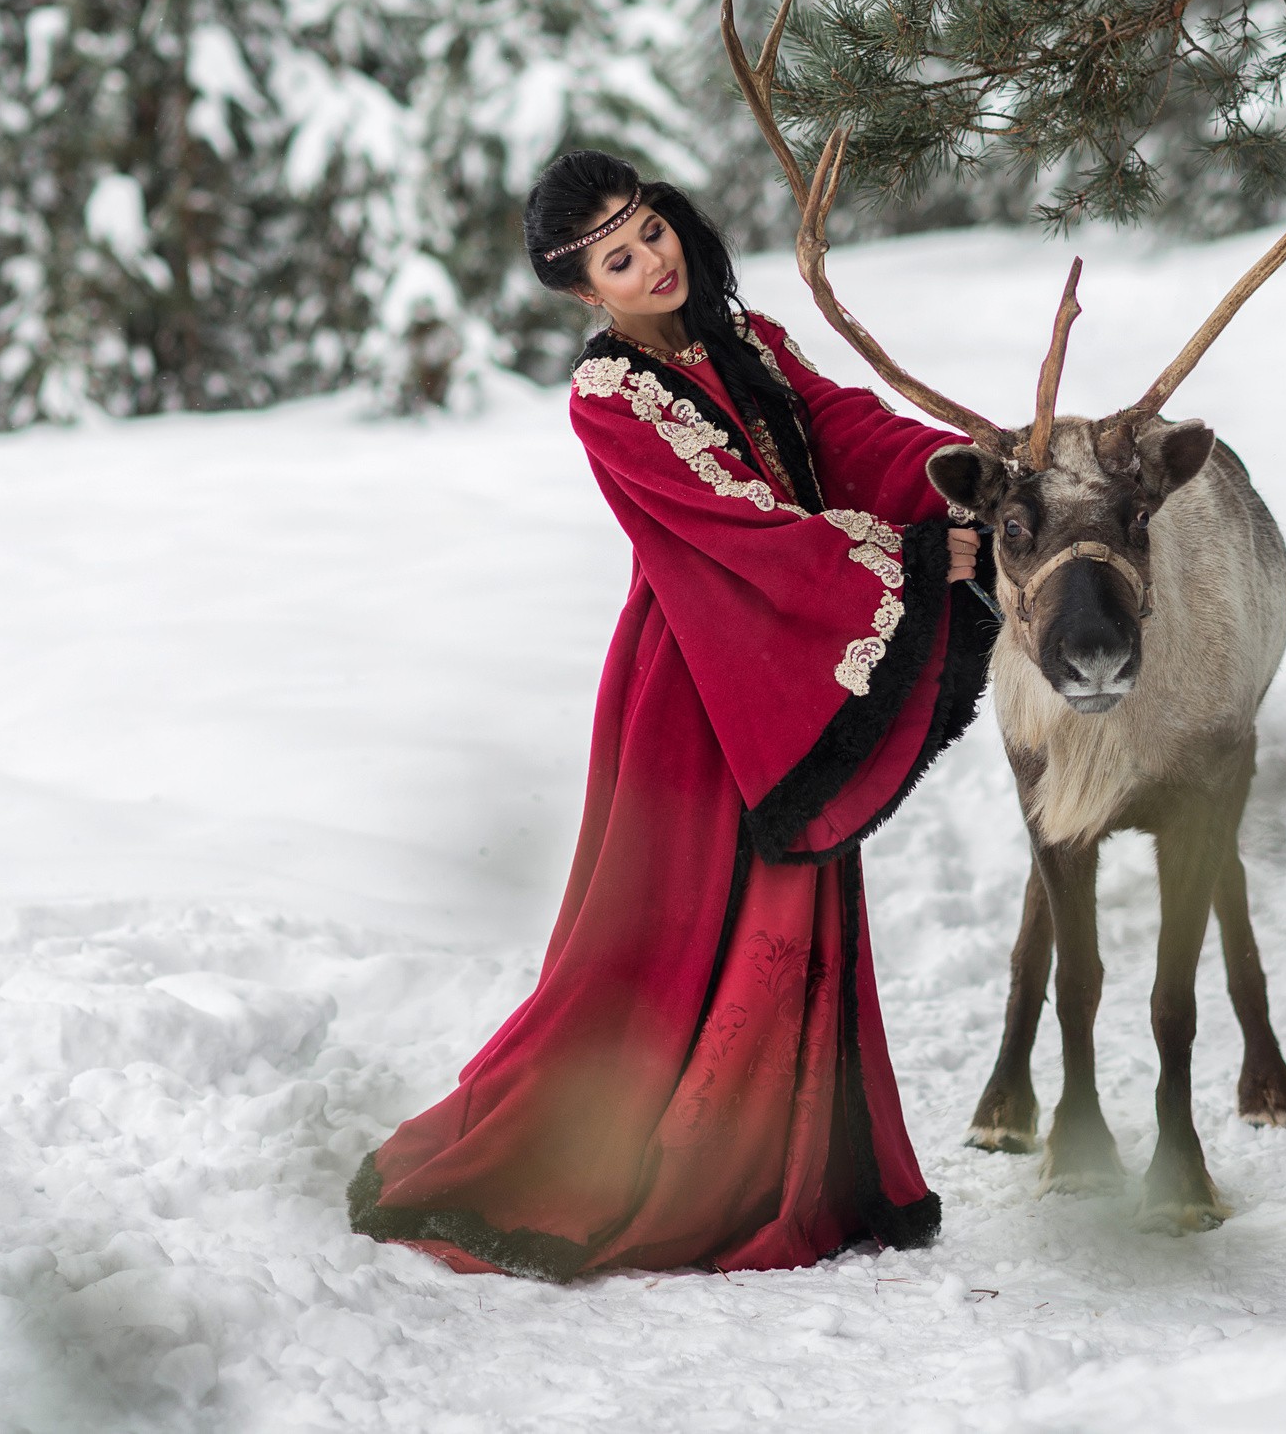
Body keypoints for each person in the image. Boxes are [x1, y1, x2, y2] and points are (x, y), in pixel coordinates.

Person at [346, 149, 996, 1280]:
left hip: (793, 661)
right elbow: (744, 528)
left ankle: (803, 1169)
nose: (651, 258)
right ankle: (670, 1165)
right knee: (683, 928)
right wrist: (911, 560)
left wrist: (962, 470)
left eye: (649, 229)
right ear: (581, 290)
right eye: (617, 255)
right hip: (700, 679)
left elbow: (843, 434)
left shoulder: (744, 340)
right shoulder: (610, 400)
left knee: (796, 901)